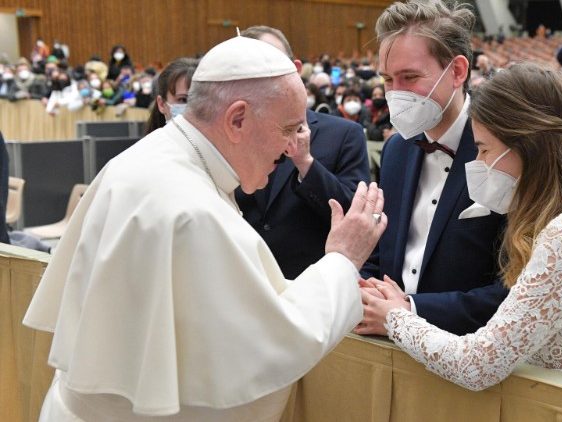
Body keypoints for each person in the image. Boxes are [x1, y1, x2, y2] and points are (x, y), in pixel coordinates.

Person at [23, 36, 386, 421]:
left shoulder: (146, 160)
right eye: (289, 128)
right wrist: (343, 260)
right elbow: (276, 343)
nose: (292, 147)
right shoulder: (191, 211)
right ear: (237, 119)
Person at [361, 62, 562, 390]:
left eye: (484, 148)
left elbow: (477, 365)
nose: (477, 163)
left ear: (528, 143)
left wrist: (394, 317)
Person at [358, 0, 509, 336]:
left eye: (409, 77)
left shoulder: (505, 148)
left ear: (457, 71)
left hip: (469, 352)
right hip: (391, 347)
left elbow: (517, 288)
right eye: (387, 80)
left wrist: (410, 312)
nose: (395, 94)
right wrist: (361, 284)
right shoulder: (397, 149)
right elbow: (388, 255)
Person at [235, 25, 370, 279]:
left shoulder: (343, 134)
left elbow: (356, 218)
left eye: (270, 66)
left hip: (314, 286)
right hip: (245, 284)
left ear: (295, 69)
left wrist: (306, 164)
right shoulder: (232, 134)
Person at [145, 58, 199, 133]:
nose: (192, 109)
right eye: (183, 100)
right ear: (161, 104)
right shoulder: (150, 144)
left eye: (199, 100)